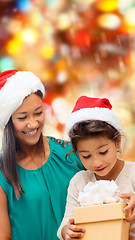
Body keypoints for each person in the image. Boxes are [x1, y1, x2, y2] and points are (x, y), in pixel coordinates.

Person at [0, 70, 84, 240]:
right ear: (8, 122)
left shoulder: (69, 154)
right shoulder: (3, 173)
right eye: (22, 117)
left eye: (38, 113)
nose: (33, 123)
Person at [57, 96, 135, 240]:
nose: (96, 163)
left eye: (103, 152)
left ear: (117, 143)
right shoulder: (79, 182)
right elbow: (66, 223)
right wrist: (66, 231)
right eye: (86, 156)